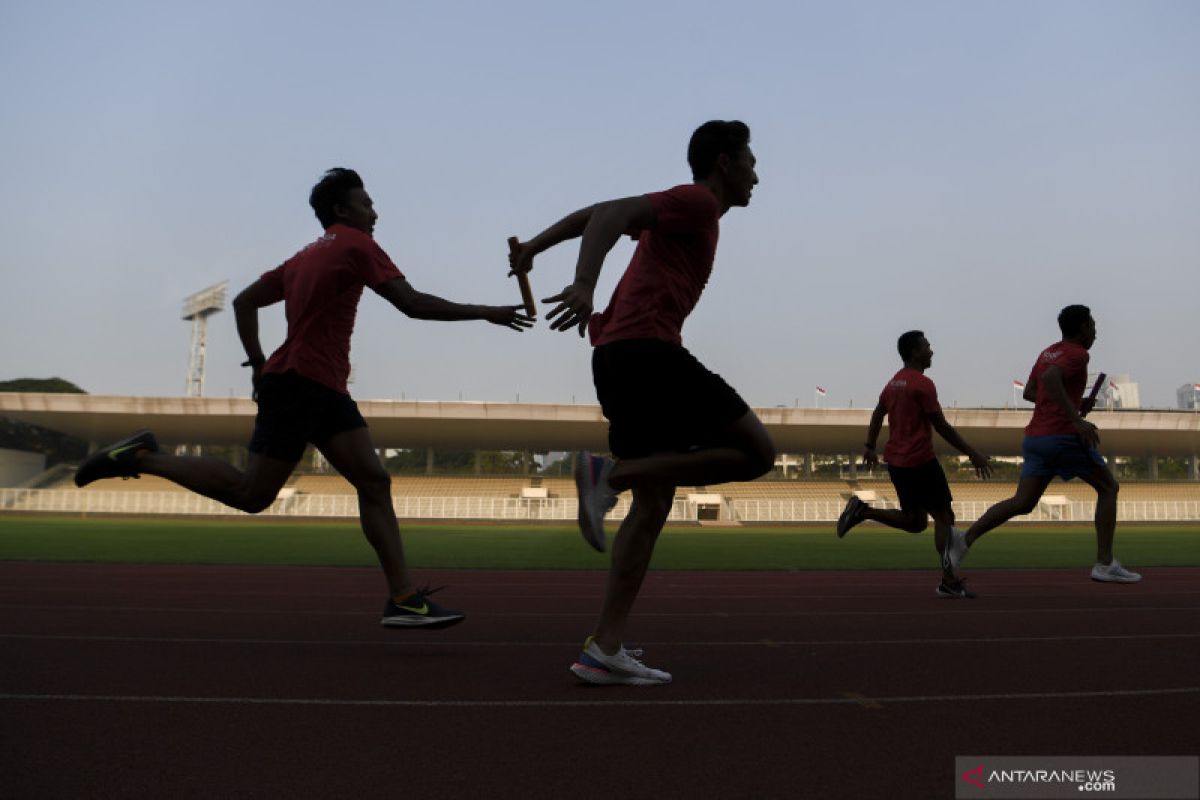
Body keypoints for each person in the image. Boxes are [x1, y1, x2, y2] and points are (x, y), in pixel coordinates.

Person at [75, 167, 533, 628]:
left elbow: (244, 302)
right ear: (341, 209)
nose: (374, 211)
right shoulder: (357, 246)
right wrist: (486, 312)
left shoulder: (303, 256)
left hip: (319, 385)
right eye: (366, 202)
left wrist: (257, 364)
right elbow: (411, 303)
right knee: (251, 494)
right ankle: (139, 457)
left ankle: (404, 598)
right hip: (303, 383)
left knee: (374, 482)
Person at [509, 120, 774, 685]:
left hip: (620, 356)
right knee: (756, 452)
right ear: (725, 163)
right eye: (750, 161)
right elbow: (608, 217)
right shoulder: (698, 202)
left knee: (652, 508)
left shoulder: (690, 213)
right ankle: (612, 475)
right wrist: (584, 282)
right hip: (646, 351)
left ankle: (604, 647)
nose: (758, 174)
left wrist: (535, 244)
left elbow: (598, 211)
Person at [944, 305, 1141, 584]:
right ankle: (1105, 563)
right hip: (1061, 437)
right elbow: (1050, 380)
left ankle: (964, 540)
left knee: (1022, 502)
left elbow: (1030, 392)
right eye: (1093, 325)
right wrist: (1075, 417)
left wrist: (1073, 403)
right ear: (1083, 327)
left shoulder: (1049, 352)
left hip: (1036, 438)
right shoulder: (1078, 354)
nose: (1096, 331)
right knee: (1109, 487)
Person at [836, 331, 992, 598]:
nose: (932, 351)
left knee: (916, 522)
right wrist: (972, 452)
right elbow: (941, 425)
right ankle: (948, 581)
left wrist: (870, 446)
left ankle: (864, 512)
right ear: (914, 352)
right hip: (920, 460)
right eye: (927, 346)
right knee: (944, 517)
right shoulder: (922, 384)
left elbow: (877, 413)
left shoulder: (894, 383)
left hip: (898, 463)